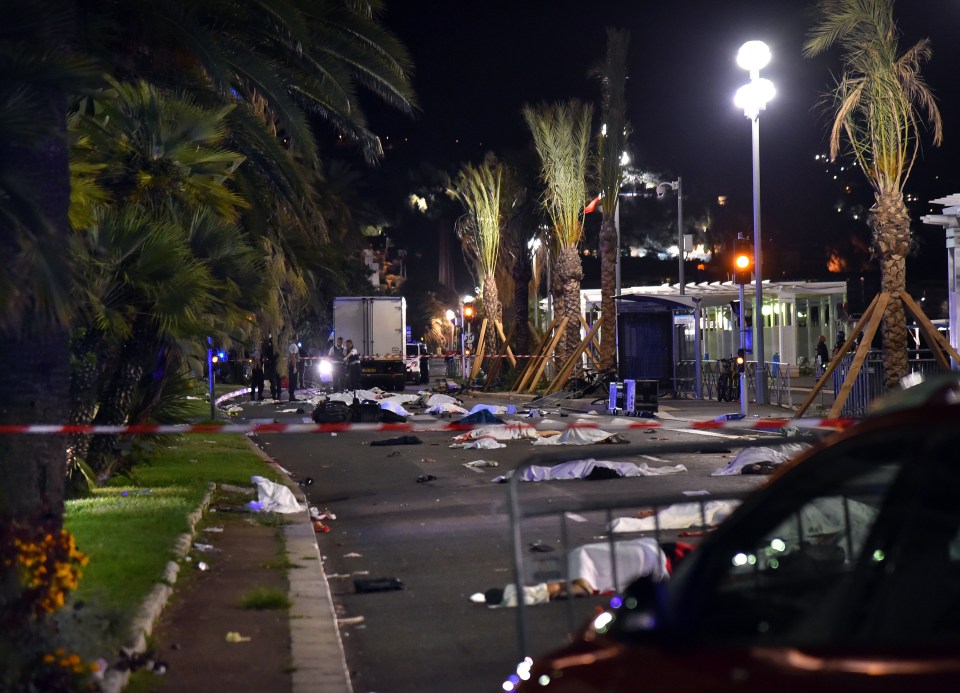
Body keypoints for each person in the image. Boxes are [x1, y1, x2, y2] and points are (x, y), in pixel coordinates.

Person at [287, 336, 300, 401]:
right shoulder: (293, 346)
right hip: (293, 364)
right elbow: (293, 356)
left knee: (293, 380)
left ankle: (292, 395)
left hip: (292, 364)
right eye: (297, 337)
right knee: (293, 380)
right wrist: (294, 367)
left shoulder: (292, 345)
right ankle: (291, 396)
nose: (298, 338)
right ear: (295, 338)